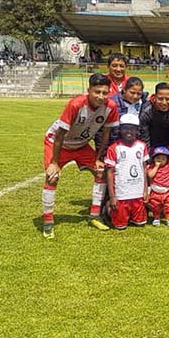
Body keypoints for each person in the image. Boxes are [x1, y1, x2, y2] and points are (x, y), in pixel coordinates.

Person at [42, 73, 119, 238]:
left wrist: (98, 158)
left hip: (81, 145)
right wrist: (54, 162)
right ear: (88, 90)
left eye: (105, 93)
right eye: (97, 92)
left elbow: (105, 134)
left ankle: (94, 215)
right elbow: (59, 135)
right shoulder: (76, 104)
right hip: (58, 143)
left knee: (101, 172)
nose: (100, 96)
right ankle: (48, 222)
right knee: (52, 177)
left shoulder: (111, 107)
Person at [138, 82, 169, 218]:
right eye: (160, 99)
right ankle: (148, 204)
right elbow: (144, 136)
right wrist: (147, 157)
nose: (164, 102)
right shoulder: (146, 110)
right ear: (155, 97)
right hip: (152, 146)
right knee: (148, 174)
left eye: (168, 99)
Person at [104, 114, 149, 230]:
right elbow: (109, 172)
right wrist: (112, 196)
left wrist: (145, 191)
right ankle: (108, 207)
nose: (129, 132)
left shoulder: (142, 146)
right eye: (125, 128)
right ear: (120, 130)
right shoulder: (114, 148)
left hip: (137, 193)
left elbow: (144, 168)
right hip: (121, 194)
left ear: (137, 130)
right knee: (120, 226)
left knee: (141, 223)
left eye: (132, 128)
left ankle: (132, 213)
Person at [146, 146, 169, 227]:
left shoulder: (168, 166)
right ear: (153, 158)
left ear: (167, 160)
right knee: (155, 206)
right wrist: (156, 166)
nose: (160, 160)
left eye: (163, 159)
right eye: (158, 158)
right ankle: (156, 218)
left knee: (168, 206)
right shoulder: (151, 167)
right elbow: (150, 175)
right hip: (155, 192)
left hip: (167, 192)